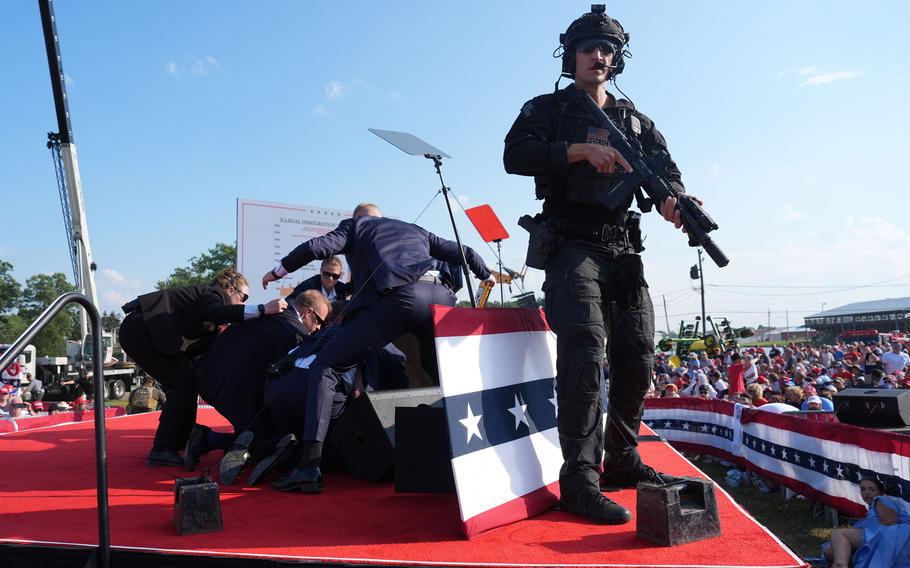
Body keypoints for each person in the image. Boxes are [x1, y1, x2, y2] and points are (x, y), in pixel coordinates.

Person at [503, 5, 690, 524]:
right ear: (572, 55)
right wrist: (580, 151)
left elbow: (667, 171)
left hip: (623, 252)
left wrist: (676, 201)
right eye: (588, 48)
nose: (598, 56)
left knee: (638, 354)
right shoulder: (548, 109)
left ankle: (624, 460)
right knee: (585, 352)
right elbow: (515, 155)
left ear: (617, 60)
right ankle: (579, 481)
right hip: (571, 244)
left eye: (606, 49)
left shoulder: (636, 119)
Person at [260, 202, 494, 493]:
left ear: (358, 218)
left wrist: (279, 271)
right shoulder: (414, 228)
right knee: (443, 374)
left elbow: (315, 247)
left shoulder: (356, 226)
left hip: (399, 299)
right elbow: (464, 251)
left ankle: (309, 466)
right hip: (439, 297)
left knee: (326, 366)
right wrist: (486, 274)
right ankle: (473, 453)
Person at [118, 268, 287, 467]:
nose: (243, 303)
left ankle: (178, 443)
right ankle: (163, 448)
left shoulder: (211, 324)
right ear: (230, 288)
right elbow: (216, 312)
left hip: (145, 332)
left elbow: (207, 356)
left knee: (187, 383)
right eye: (243, 297)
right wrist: (262, 309)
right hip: (141, 329)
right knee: (183, 383)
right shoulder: (214, 293)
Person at [184, 290, 329, 484]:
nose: (318, 328)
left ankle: (211, 439)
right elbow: (279, 377)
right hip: (235, 388)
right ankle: (211, 439)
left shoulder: (270, 312)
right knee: (275, 438)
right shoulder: (295, 331)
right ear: (308, 313)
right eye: (319, 321)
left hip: (208, 376)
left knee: (258, 430)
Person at [824, 477, 910, 568]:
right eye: (863, 489)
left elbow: (892, 525)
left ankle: (840, 565)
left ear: (879, 492)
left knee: (838, 533)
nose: (867, 492)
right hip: (876, 536)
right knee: (829, 551)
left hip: (886, 538)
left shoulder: (880, 500)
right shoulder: (873, 506)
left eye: (872, 489)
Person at [286, 256, 350, 303]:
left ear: (340, 275)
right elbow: (289, 303)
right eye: (327, 274)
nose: (331, 278)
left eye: (335, 276)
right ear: (321, 272)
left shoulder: (342, 289)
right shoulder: (307, 287)